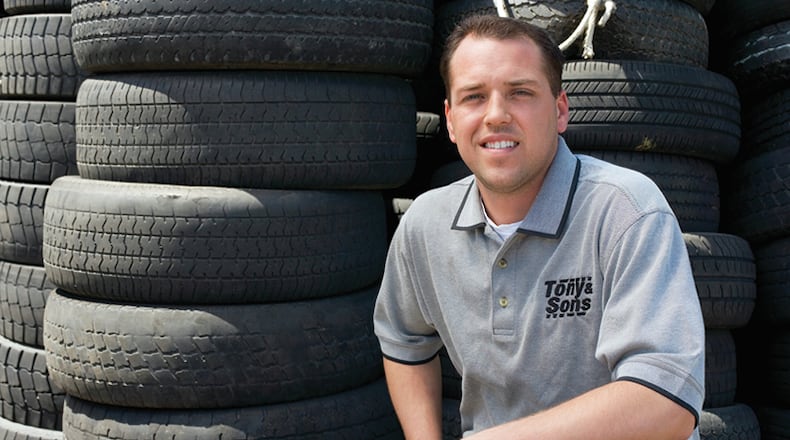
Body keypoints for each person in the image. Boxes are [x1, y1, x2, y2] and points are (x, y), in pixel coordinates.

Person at [373, 14, 705, 440]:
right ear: (451, 121)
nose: (496, 115)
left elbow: (666, 404)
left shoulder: (626, 210)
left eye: (520, 93)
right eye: (474, 96)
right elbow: (403, 342)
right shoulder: (425, 225)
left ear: (560, 109)